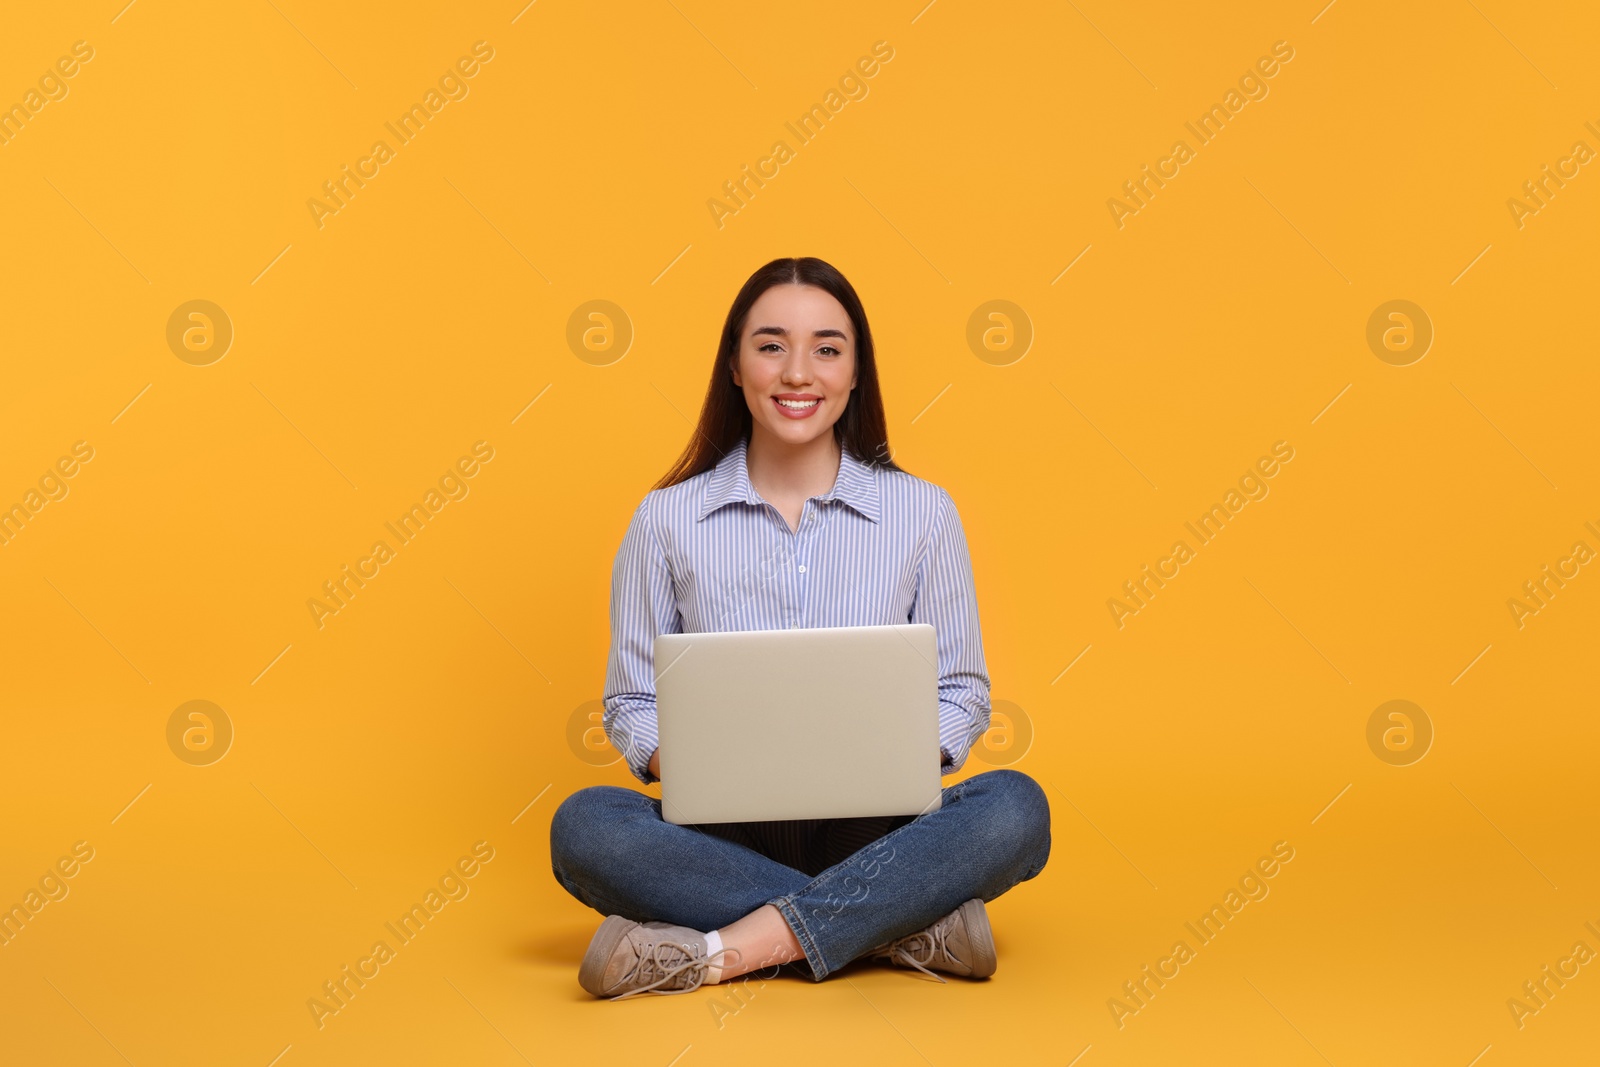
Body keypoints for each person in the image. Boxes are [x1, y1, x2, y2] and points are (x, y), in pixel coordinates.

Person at [549, 256, 1051, 1000]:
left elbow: (963, 691)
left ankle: (719, 952)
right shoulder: (664, 520)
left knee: (1016, 807)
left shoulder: (924, 513)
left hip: (880, 828)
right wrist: (681, 759)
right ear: (735, 365)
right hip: (723, 836)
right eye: (771, 344)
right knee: (585, 825)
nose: (797, 373)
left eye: (826, 348)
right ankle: (903, 929)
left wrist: (900, 752)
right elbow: (629, 705)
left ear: (855, 372)